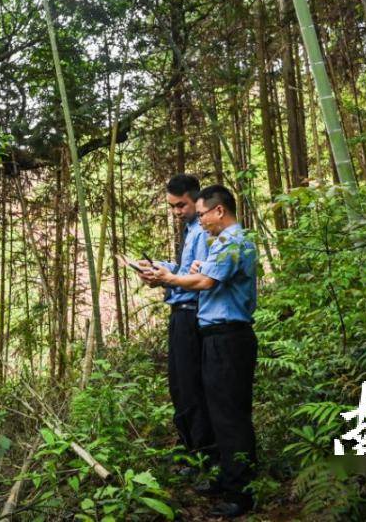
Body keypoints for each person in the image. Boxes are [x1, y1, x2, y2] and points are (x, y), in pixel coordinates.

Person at [148, 184, 258, 518]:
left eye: (203, 214)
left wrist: (170, 278)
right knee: (216, 409)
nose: (201, 220)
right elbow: (206, 276)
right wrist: (194, 271)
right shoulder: (220, 245)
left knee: (230, 414)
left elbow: (205, 284)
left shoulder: (233, 242)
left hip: (229, 337)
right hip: (214, 336)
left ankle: (242, 492)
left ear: (218, 211)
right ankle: (226, 477)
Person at [137, 174, 214, 475]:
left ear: (196, 199)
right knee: (180, 385)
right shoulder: (190, 229)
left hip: (192, 314)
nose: (176, 212)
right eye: (171, 207)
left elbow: (199, 280)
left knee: (191, 385)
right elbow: (183, 271)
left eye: (180, 205)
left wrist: (165, 279)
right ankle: (189, 447)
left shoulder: (204, 231)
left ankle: (200, 454)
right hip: (181, 312)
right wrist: (160, 268)